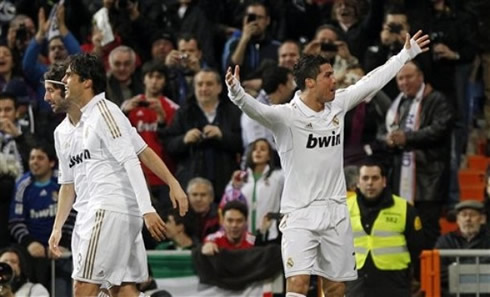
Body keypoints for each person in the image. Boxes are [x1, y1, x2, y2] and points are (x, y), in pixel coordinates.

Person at [226, 30, 430, 297]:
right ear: (310, 82)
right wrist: (236, 92)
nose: (335, 80)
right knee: (298, 284)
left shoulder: (338, 105)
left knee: (335, 288)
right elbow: (256, 109)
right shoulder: (286, 117)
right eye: (328, 76)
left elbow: (371, 81)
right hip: (299, 213)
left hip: (336, 211)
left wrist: (405, 54)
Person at [45, 54, 185, 297]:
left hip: (109, 209)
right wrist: (57, 228)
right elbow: (68, 184)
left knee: (83, 289)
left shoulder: (105, 112)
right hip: (92, 212)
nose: (64, 81)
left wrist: (147, 208)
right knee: (121, 291)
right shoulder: (66, 130)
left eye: (69, 76)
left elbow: (132, 159)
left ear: (87, 81)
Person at [345, 159, 424, 297]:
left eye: (375, 178)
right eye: (365, 178)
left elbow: (416, 246)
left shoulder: (404, 209)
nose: (370, 183)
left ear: (384, 181)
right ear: (358, 182)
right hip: (356, 283)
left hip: (394, 283)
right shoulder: (344, 208)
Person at [434, 200, 490, 297]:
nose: (468, 219)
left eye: (472, 215)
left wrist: (456, 268)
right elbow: (438, 271)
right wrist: (476, 270)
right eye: (464, 215)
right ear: (457, 220)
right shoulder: (446, 241)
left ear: (482, 219)